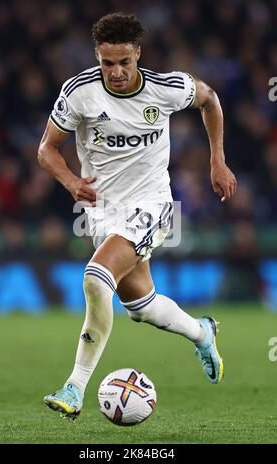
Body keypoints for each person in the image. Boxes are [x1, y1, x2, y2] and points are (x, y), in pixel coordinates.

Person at [38, 13, 237, 420]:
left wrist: (217, 160)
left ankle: (74, 388)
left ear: (138, 54)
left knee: (96, 278)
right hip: (101, 210)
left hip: (152, 204)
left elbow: (210, 99)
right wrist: (71, 182)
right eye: (107, 63)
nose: (115, 72)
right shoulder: (79, 93)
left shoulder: (167, 88)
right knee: (140, 307)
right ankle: (203, 332)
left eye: (124, 62)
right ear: (97, 56)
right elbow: (46, 149)